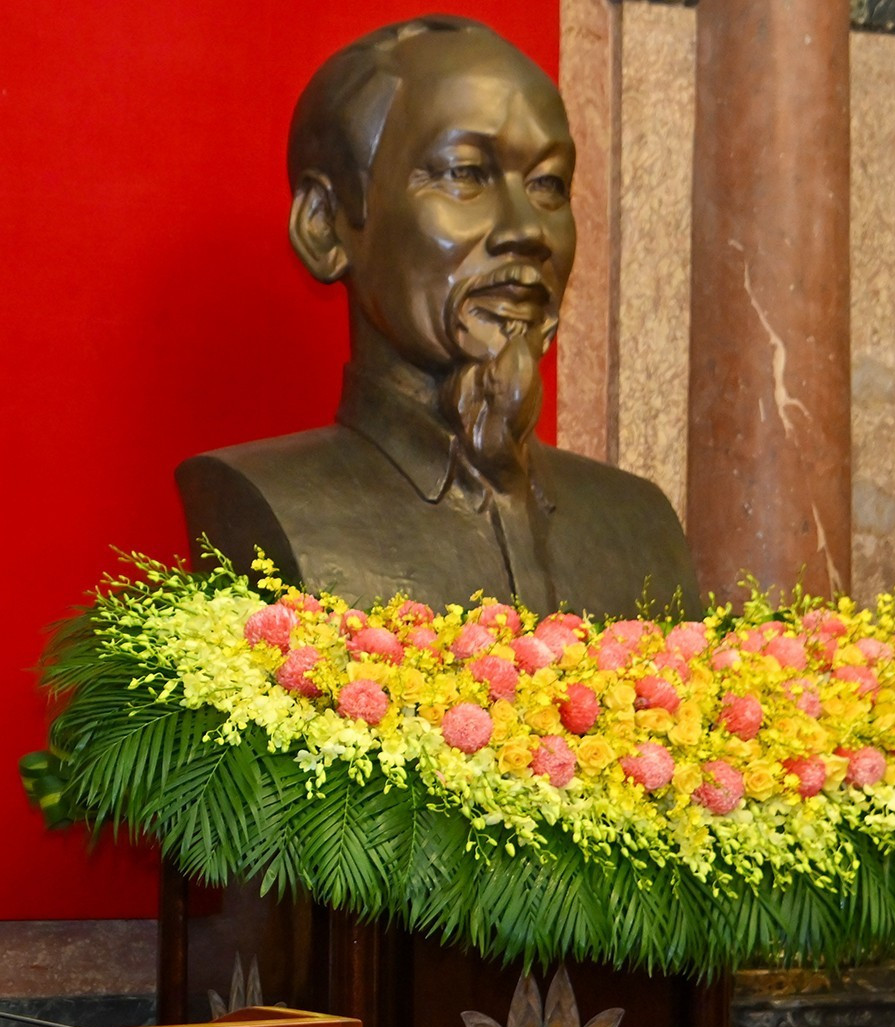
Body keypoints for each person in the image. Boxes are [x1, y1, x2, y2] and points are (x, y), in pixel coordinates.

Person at [177, 16, 696, 618]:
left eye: (549, 184)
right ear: (324, 227)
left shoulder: (640, 523)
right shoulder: (266, 503)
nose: (528, 230)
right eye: (464, 174)